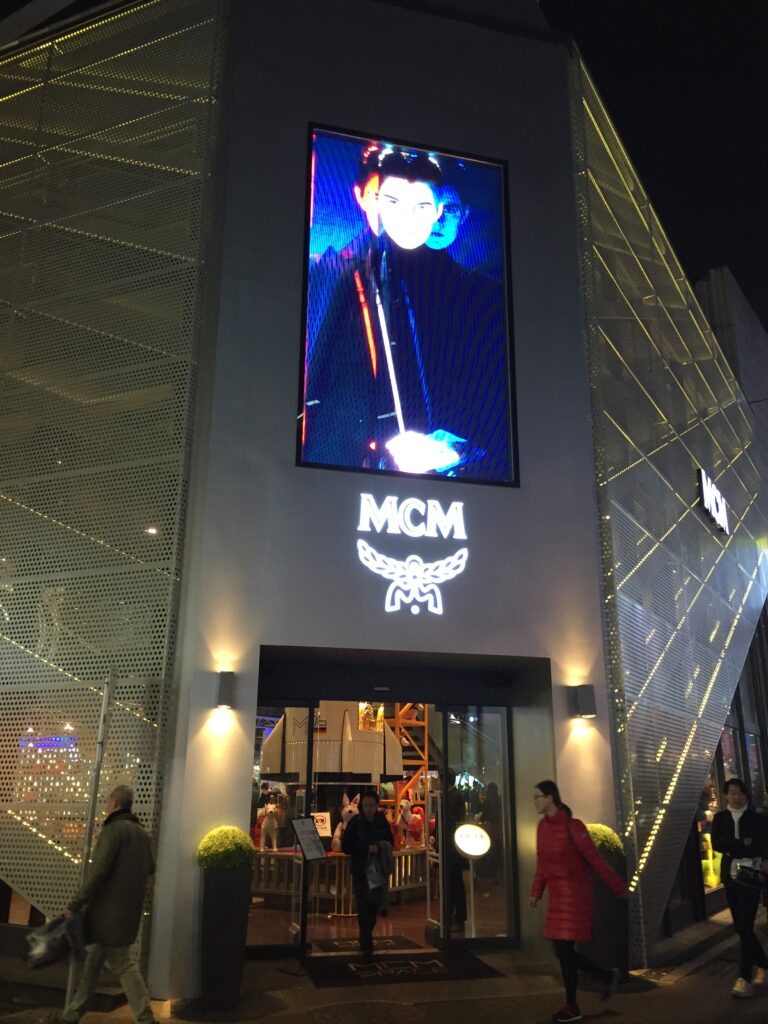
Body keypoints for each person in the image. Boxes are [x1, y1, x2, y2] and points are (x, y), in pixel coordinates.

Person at [303, 144, 509, 481]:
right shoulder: (349, 278)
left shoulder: (481, 295)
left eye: (423, 205)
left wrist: (455, 447)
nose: (409, 217)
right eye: (393, 201)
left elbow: (496, 410)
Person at [529, 780, 627, 1024]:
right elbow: (542, 863)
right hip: (557, 896)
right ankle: (605, 976)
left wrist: (618, 887)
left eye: (538, 797)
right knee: (563, 951)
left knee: (563, 950)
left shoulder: (573, 827)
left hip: (575, 896)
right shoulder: (543, 828)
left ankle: (572, 1005)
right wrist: (536, 892)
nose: (535, 802)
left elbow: (595, 859)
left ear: (550, 797)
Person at [61, 785, 156, 1024]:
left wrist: (76, 902)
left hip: (107, 912)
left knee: (123, 963)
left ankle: (146, 1018)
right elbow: (151, 868)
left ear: (114, 804)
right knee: (93, 963)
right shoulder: (142, 834)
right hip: (128, 910)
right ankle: (71, 1016)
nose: (105, 806)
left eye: (107, 802)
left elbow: (98, 871)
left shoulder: (113, 831)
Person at [711, 777, 768, 997]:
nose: (736, 796)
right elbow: (718, 845)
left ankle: (744, 978)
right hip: (730, 876)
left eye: (739, 792)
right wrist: (744, 844)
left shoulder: (757, 819)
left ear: (745, 795)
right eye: (731, 792)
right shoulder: (720, 818)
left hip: (751, 876)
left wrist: (734, 847)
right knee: (740, 926)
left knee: (745, 925)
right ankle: (763, 963)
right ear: (725, 795)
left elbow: (761, 843)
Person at [341, 789, 393, 962]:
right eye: (366, 805)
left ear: (377, 805)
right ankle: (366, 941)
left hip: (377, 870)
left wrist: (379, 847)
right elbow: (346, 846)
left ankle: (366, 935)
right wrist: (365, 848)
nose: (368, 808)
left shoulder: (382, 821)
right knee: (362, 905)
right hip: (361, 870)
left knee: (373, 906)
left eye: (371, 805)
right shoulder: (356, 822)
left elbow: (390, 841)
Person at [446, 773, 468, 932]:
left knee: (454, 883)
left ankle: (456, 917)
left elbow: (451, 820)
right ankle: (456, 916)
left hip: (452, 847)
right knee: (455, 883)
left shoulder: (451, 797)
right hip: (455, 846)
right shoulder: (455, 795)